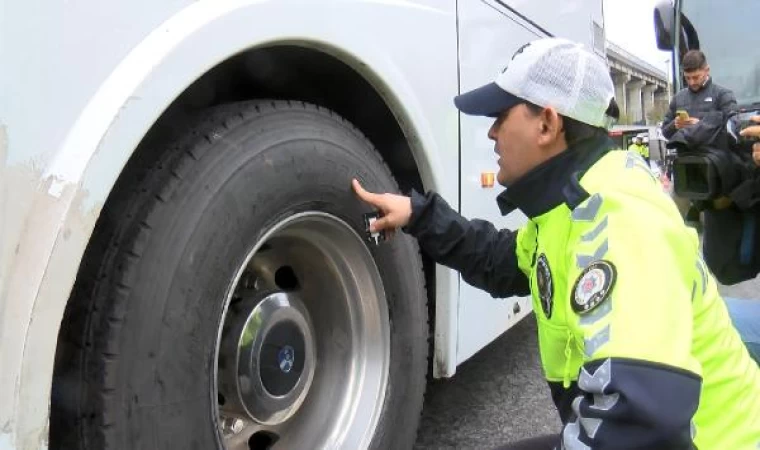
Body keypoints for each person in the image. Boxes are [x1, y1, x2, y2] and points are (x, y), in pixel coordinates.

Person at [351, 38, 760, 449]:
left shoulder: (621, 219)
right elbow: (502, 260)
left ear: (547, 123)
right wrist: (418, 215)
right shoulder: (570, 204)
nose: (491, 132)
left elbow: (639, 426)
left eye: (500, 115)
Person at [661, 50, 737, 140]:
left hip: (714, 153)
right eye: (687, 78)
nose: (691, 82)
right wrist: (674, 125)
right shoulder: (678, 98)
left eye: (696, 77)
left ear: (707, 70)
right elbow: (665, 132)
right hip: (685, 152)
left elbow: (734, 131)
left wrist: (700, 127)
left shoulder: (723, 95)